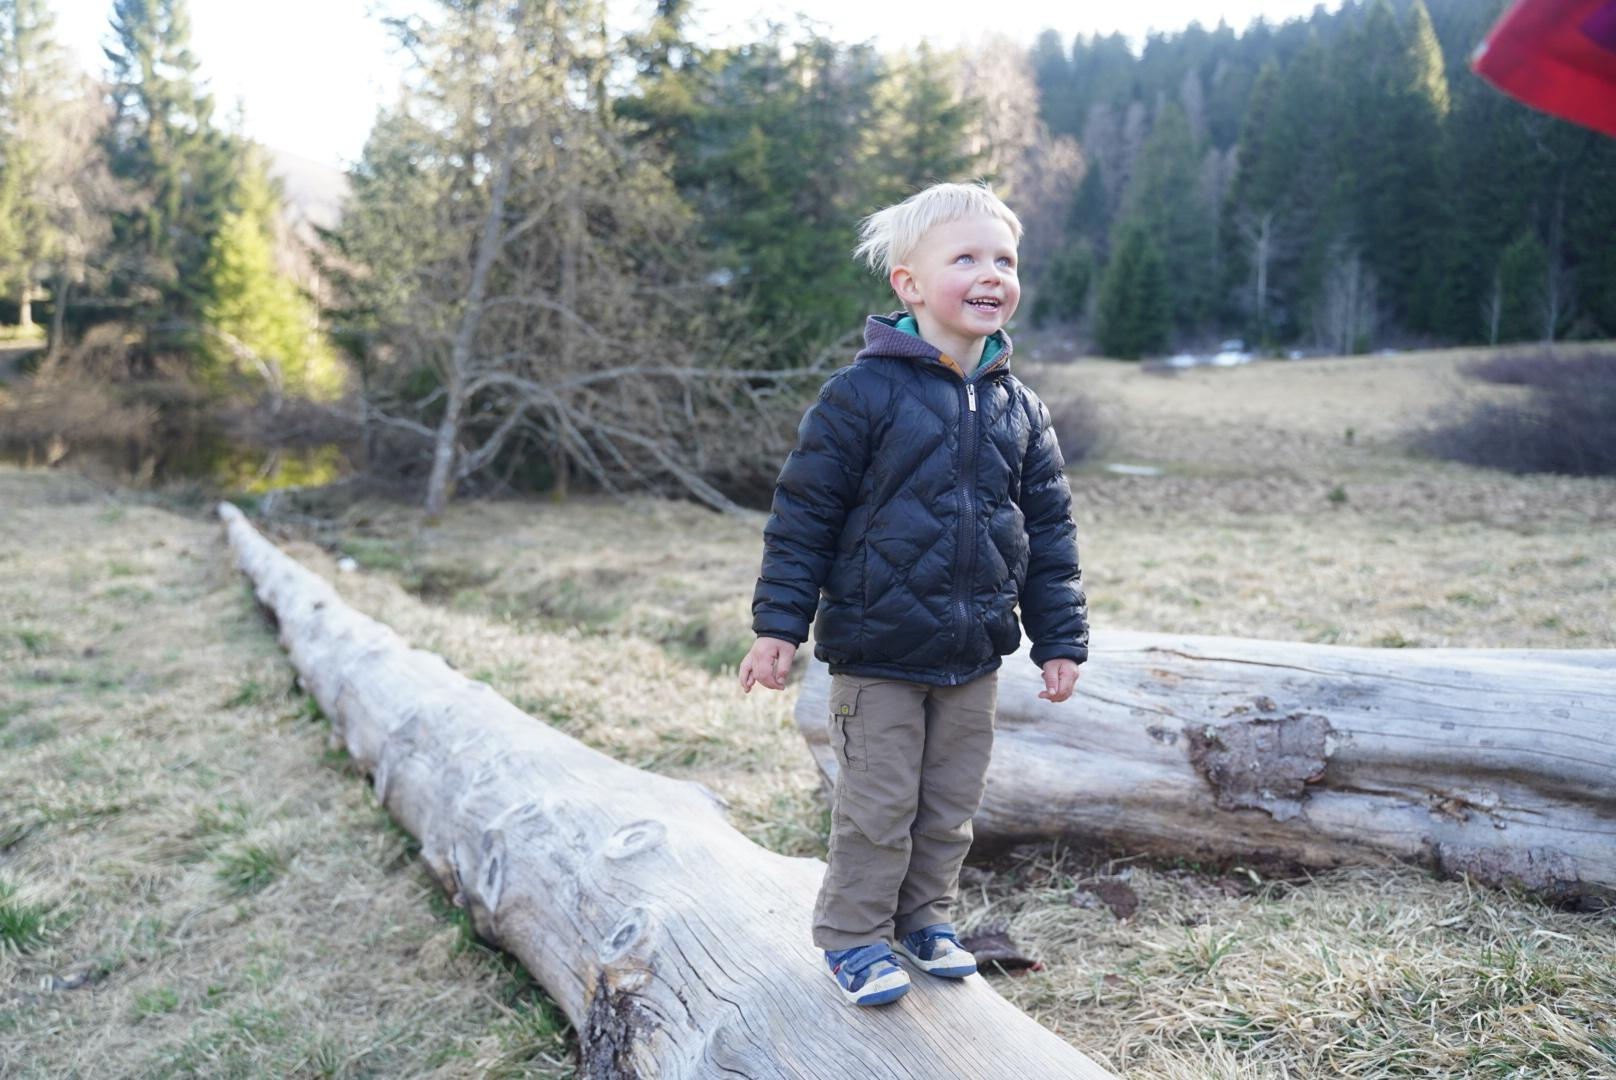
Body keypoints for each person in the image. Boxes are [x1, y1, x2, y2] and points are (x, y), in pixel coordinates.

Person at [739, 181, 1089, 1007]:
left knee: (949, 805)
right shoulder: (859, 396)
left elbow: (1052, 536)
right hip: (877, 654)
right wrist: (778, 627)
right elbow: (804, 519)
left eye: (1003, 259)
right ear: (907, 284)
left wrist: (1061, 639)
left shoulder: (1023, 411)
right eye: (964, 257)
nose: (990, 274)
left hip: (972, 658)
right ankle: (854, 937)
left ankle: (926, 918)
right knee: (879, 806)